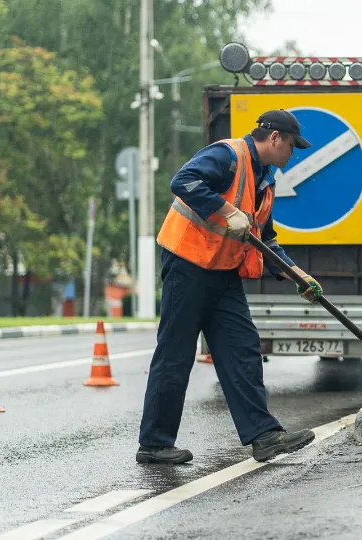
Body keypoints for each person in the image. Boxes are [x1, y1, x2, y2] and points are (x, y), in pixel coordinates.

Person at [137, 109, 324, 464]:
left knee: (242, 349)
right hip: (187, 265)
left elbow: (265, 241)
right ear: (274, 138)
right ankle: (155, 444)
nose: (291, 154)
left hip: (223, 273)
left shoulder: (264, 182)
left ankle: (264, 435)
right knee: (175, 354)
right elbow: (183, 181)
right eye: (291, 146)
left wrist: (299, 275)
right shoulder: (228, 155)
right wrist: (223, 210)